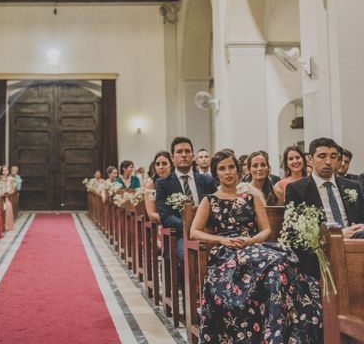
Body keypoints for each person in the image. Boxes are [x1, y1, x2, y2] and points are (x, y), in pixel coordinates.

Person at [191, 150, 322, 343]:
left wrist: (251, 240)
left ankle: (283, 330)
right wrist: (221, 240)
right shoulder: (209, 200)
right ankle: (276, 332)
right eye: (222, 168)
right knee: (276, 265)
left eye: (231, 167)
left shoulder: (251, 198)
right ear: (215, 173)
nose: (228, 172)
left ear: (237, 170)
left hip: (253, 246)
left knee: (280, 265)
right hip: (227, 251)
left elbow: (266, 230)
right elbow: (194, 232)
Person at [286, 137, 364, 277]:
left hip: (356, 242)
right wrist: (335, 235)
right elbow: (295, 233)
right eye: (322, 156)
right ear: (310, 159)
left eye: (333, 157)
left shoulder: (353, 186)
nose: (328, 162)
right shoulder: (297, 189)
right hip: (322, 248)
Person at [156, 136, 217, 276]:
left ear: (192, 155)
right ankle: (190, 295)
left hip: (207, 231)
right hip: (180, 235)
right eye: (179, 151)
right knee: (186, 255)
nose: (184, 155)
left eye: (187, 151)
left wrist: (204, 228)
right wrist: (189, 226)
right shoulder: (163, 184)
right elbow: (165, 217)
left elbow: (216, 207)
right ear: (172, 157)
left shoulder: (206, 180)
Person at [144, 151, 174, 223]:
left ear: (171, 165)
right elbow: (151, 215)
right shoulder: (151, 185)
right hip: (160, 223)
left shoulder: (178, 181)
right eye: (157, 164)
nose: (160, 167)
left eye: (164, 163)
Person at [0, 166, 15, 231]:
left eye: (6, 170)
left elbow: (13, 189)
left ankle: (7, 225)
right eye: (3, 170)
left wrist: (8, 192)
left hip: (7, 197)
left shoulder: (10, 179)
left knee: (8, 208)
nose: (5, 172)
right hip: (0, 197)